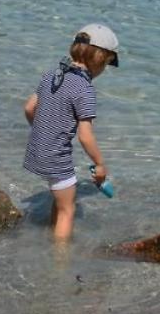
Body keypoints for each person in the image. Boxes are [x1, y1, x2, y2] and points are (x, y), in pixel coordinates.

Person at [23, 23, 119, 240]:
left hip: (37, 151)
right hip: (57, 158)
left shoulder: (52, 75)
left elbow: (29, 108)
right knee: (68, 210)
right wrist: (101, 164)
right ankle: (60, 263)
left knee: (60, 202)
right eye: (106, 64)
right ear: (98, 59)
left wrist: (43, 132)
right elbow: (85, 136)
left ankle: (50, 235)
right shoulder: (84, 89)